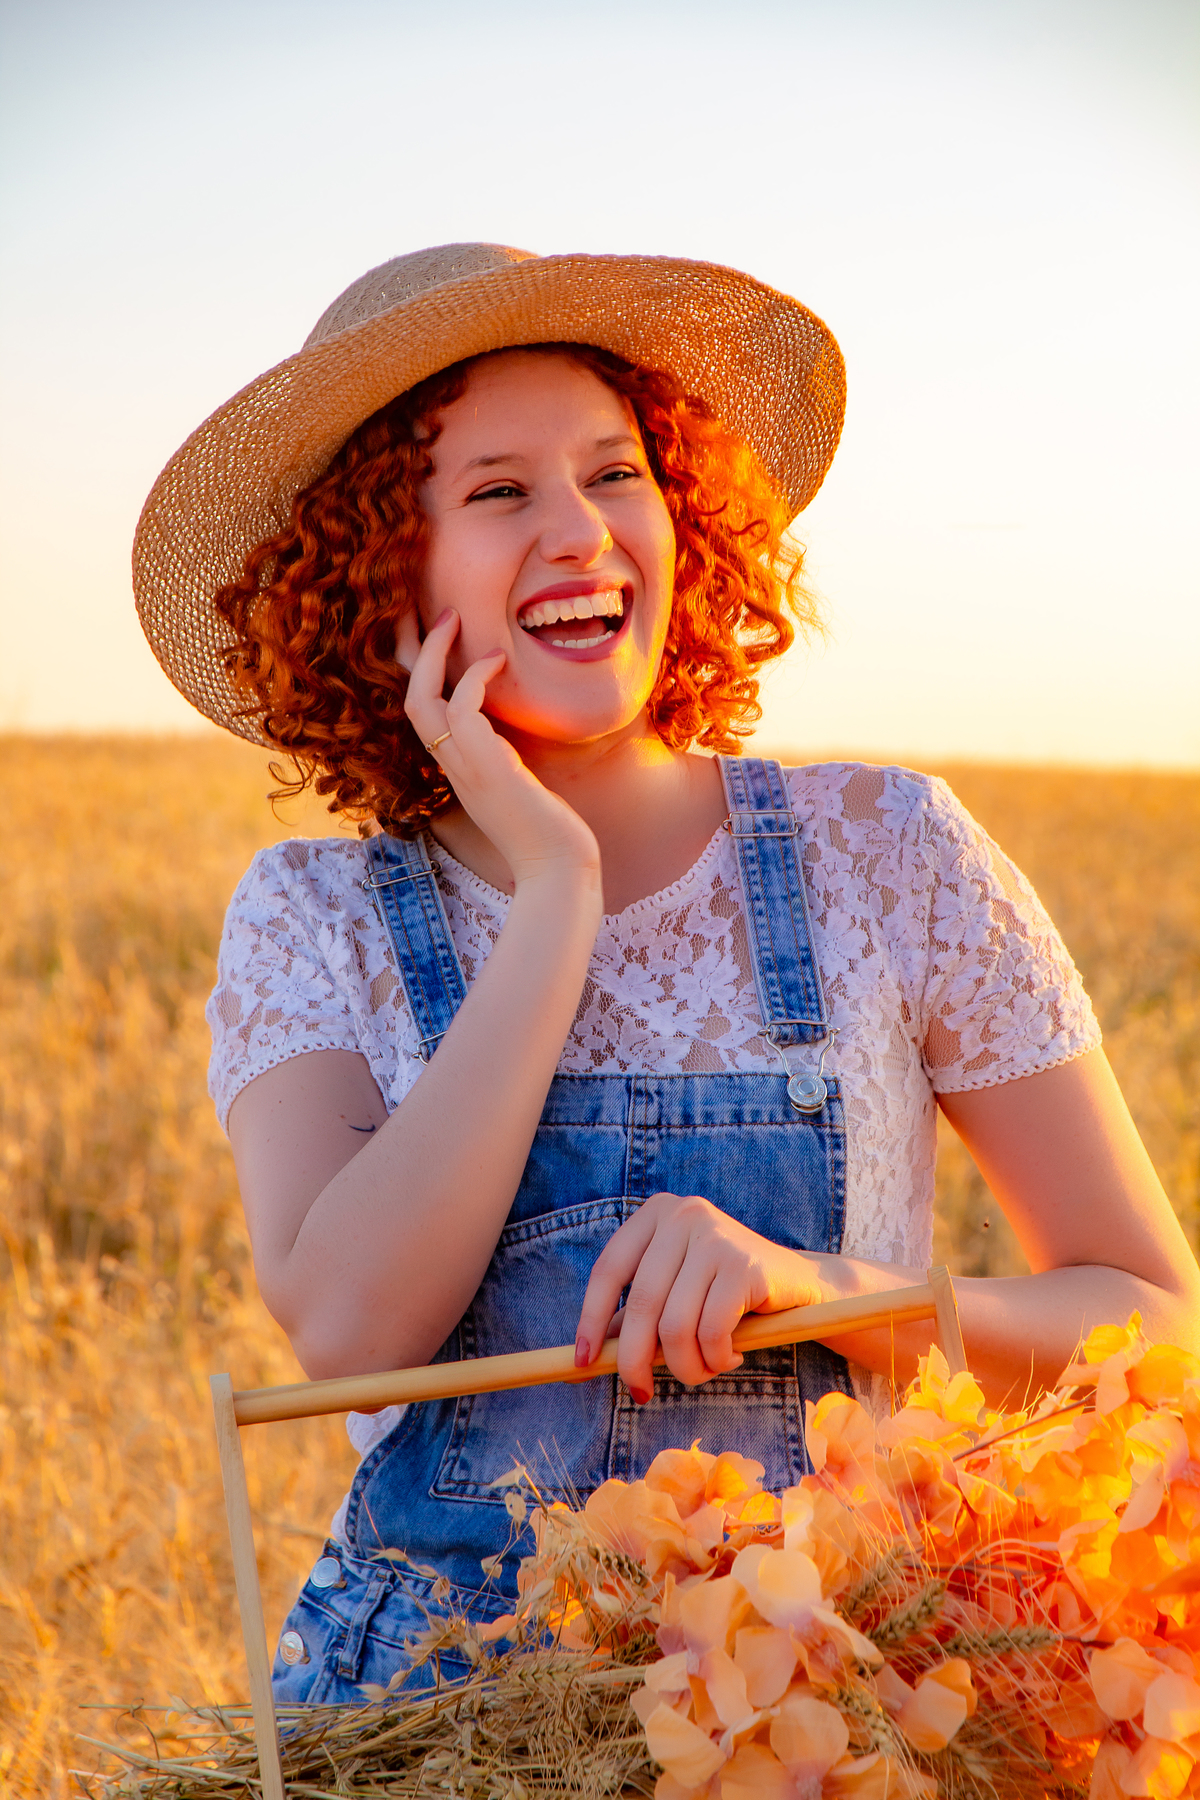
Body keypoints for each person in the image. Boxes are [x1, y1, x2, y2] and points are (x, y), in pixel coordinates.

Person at [135, 243, 1200, 1706]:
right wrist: (555, 892)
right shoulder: (314, 914)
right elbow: (352, 1329)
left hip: (831, 1710)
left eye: (616, 472)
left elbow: (1153, 1318)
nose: (579, 533)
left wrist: (823, 1290)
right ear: (380, 568)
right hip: (439, 1731)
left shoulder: (884, 848)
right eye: (498, 491)